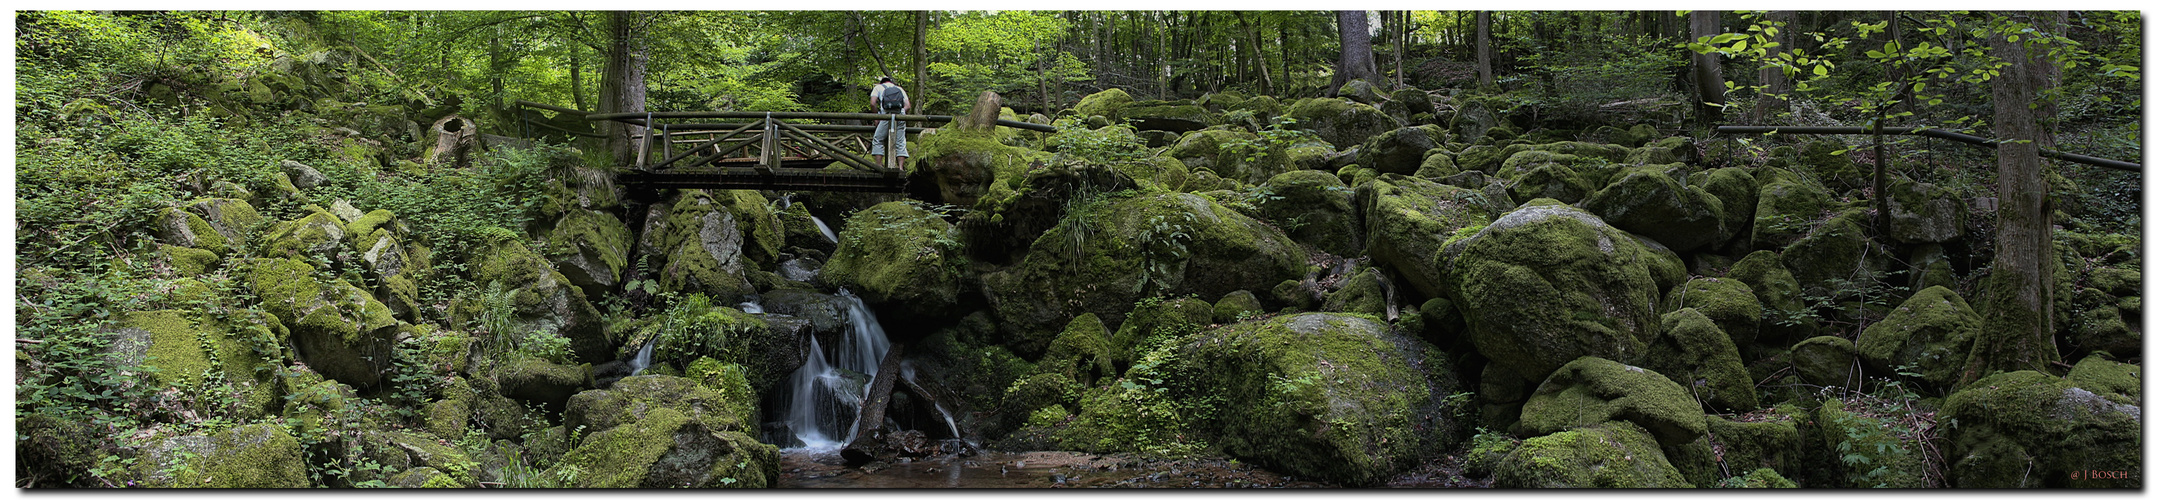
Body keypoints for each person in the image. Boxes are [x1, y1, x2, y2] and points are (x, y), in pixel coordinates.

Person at [868, 76, 911, 169]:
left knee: (878, 139)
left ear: (881, 82)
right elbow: (908, 106)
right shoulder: (899, 89)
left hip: (886, 116)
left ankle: (879, 166)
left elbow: (872, 103)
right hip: (900, 116)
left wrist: (876, 117)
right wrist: (902, 112)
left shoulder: (878, 88)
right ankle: (900, 167)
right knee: (900, 142)